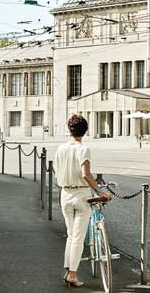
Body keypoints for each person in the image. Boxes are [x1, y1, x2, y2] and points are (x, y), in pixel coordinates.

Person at [54, 114, 112, 287]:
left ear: (69, 129)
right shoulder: (83, 149)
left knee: (71, 235)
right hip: (81, 195)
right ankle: (72, 274)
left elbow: (57, 171)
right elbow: (86, 175)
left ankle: (68, 271)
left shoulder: (60, 149)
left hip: (65, 194)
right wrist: (100, 191)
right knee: (78, 237)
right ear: (85, 131)